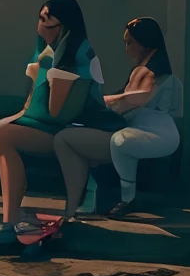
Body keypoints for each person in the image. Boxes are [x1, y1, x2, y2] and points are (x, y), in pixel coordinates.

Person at [0, 0, 105, 254]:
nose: (40, 25)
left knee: (5, 134)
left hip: (75, 129)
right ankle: (10, 220)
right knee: (3, 129)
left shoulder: (77, 52)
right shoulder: (46, 47)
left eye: (48, 21)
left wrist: (51, 75)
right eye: (41, 18)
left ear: (64, 28)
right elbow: (33, 101)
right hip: (49, 124)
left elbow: (57, 111)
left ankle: (10, 223)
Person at [53, 17, 182, 219]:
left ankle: (94, 200)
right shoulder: (146, 71)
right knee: (77, 136)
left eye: (130, 42)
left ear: (145, 43)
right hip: (140, 131)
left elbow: (137, 98)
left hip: (148, 135)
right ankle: (89, 199)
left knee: (69, 139)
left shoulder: (149, 73)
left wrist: (101, 100)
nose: (126, 48)